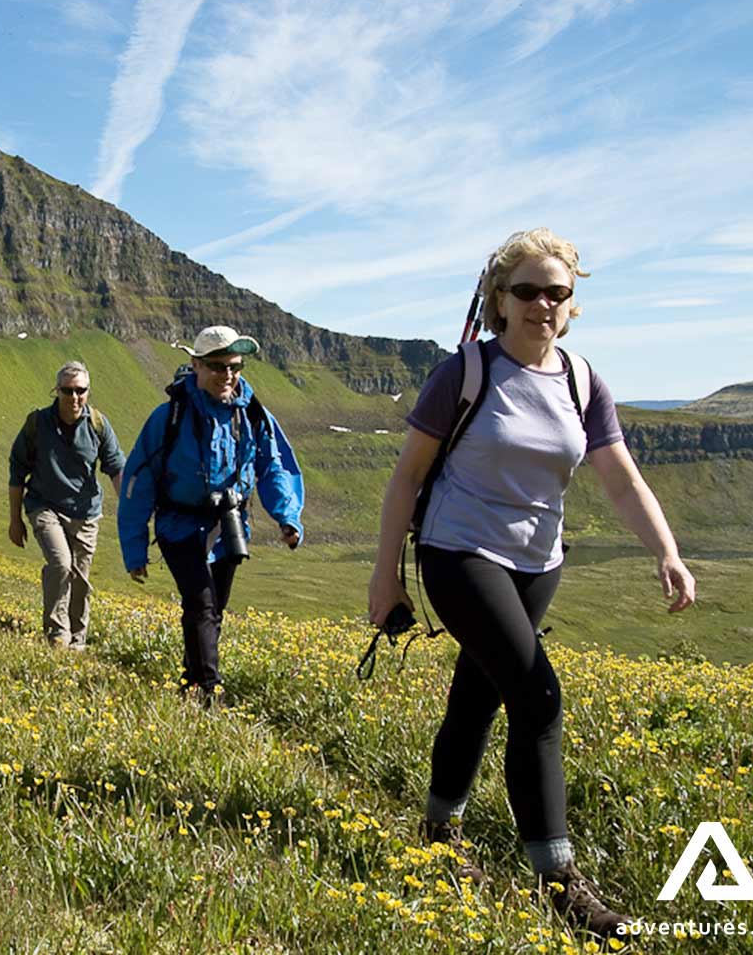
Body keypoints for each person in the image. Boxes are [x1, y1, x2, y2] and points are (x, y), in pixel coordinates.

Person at [368, 229, 696, 936]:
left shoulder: (583, 381)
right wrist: (383, 575)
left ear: (573, 303)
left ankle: (437, 831)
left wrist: (666, 550)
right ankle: (559, 881)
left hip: (538, 561)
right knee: (539, 697)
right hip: (459, 553)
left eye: (557, 292)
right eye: (527, 291)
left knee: (478, 696)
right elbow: (407, 477)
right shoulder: (465, 372)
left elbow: (619, 476)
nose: (543, 304)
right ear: (500, 299)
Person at [118, 326, 303, 706]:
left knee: (213, 609)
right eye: (217, 366)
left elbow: (275, 468)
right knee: (200, 603)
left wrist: (287, 517)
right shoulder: (168, 417)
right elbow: (138, 483)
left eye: (235, 366)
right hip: (178, 527)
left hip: (228, 528)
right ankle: (210, 694)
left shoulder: (253, 414)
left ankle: (190, 682)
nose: (228, 375)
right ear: (196, 365)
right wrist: (135, 550)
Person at [8, 361, 127, 650]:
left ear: (88, 391)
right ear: (57, 391)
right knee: (61, 563)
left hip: (85, 513)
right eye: (68, 391)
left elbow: (116, 468)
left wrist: (129, 513)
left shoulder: (98, 424)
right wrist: (15, 520)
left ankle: (77, 638)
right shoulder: (38, 423)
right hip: (44, 506)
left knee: (81, 577)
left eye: (80, 391)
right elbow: (17, 471)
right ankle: (56, 634)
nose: (74, 398)